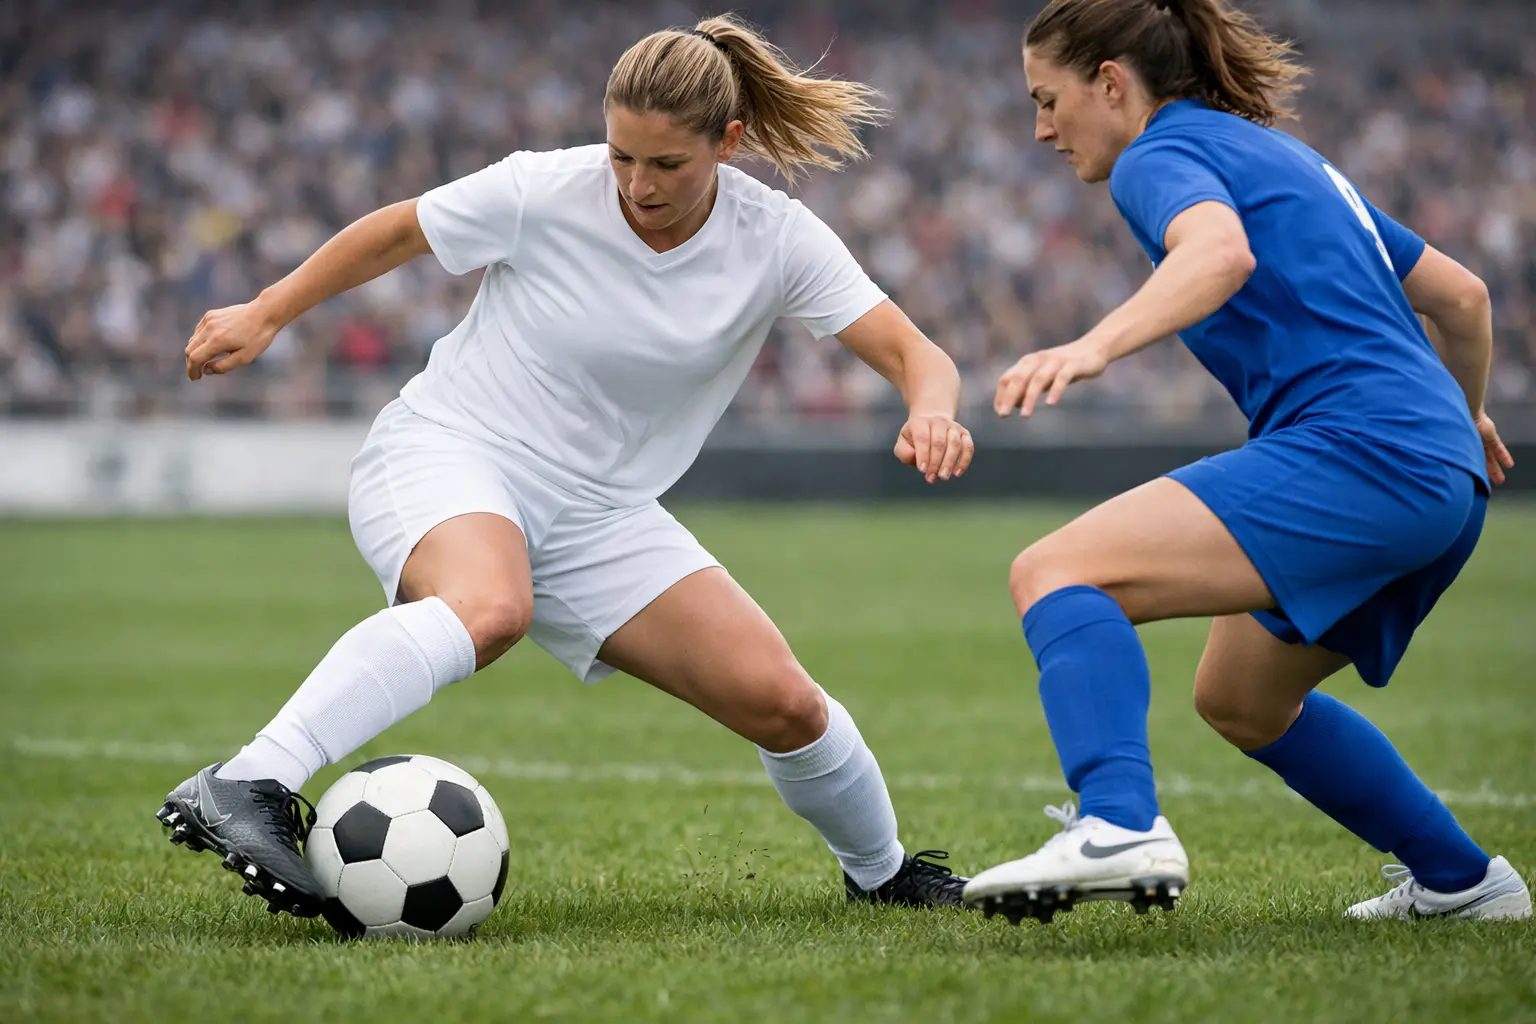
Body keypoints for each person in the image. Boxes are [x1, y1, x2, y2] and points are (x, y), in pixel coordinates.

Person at [156, 14, 977, 918]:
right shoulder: (542, 189)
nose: (636, 184)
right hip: (453, 449)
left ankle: (885, 876)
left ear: (729, 142)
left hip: (602, 513)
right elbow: (397, 233)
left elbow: (917, 354)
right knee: (490, 607)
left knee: (787, 705)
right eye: (621, 155)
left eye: (666, 164)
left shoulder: (777, 239)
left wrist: (931, 410)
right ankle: (250, 779)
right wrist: (267, 312)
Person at [962, 0, 1532, 924]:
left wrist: (1094, 345)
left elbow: (1218, 255)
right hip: (1441, 480)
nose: (1041, 129)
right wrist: (1459, 420)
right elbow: (1461, 298)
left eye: (1046, 100)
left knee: (1056, 571)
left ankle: (1117, 822)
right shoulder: (1280, 154)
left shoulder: (1153, 156)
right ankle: (1465, 882)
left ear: (1110, 84)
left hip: (1364, 453)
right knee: (1241, 698)